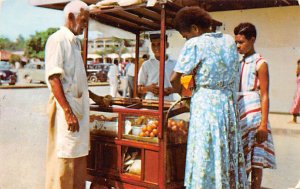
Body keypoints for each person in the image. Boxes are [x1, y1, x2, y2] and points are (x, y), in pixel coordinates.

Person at [170, 7, 248, 188]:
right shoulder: (229, 41)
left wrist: (183, 94)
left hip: (205, 105)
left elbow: (175, 79)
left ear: (195, 29)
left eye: (186, 35)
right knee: (225, 151)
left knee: (205, 153)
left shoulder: (196, 44)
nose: (186, 40)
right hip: (228, 104)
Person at [44, 1, 90, 188]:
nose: (86, 25)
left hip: (77, 112)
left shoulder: (75, 43)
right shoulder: (57, 40)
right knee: (63, 164)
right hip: (66, 112)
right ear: (71, 17)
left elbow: (76, 79)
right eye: (83, 20)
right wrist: (67, 112)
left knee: (78, 164)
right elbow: (54, 78)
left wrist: (95, 97)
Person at [234, 22, 276, 189]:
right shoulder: (237, 63)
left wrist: (263, 125)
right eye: (236, 42)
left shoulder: (260, 63)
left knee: (256, 160)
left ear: (252, 40)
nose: (238, 46)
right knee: (241, 159)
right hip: (239, 114)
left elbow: (265, 95)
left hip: (255, 116)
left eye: (241, 42)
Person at [138, 34, 177, 101]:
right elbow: (139, 89)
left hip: (168, 102)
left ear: (167, 45)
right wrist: (148, 88)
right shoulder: (146, 64)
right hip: (150, 102)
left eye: (159, 44)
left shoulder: (175, 64)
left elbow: (181, 87)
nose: (156, 47)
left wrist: (171, 90)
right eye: (153, 45)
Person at [289, 59, 300, 123]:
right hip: (298, 91)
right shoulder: (298, 73)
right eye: (298, 64)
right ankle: (294, 119)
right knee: (296, 104)